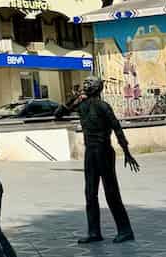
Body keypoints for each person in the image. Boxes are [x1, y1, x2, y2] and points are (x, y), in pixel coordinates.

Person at [56, 76, 139, 243]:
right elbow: (58, 115)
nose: (85, 85)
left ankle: (125, 230)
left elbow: (117, 129)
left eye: (89, 83)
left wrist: (127, 152)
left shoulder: (103, 106)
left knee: (111, 192)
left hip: (104, 151)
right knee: (90, 193)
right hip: (90, 152)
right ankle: (94, 232)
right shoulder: (82, 105)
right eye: (84, 82)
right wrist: (74, 98)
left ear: (97, 87)